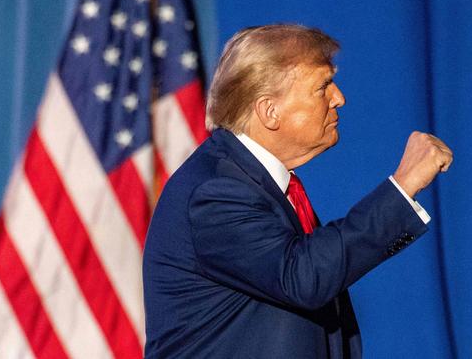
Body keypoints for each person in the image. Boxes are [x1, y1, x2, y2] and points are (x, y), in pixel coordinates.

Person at [143, 24, 453, 358]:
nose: (339, 98)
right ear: (269, 111)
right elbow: (302, 276)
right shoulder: (216, 189)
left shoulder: (263, 184)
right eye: (323, 86)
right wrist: (403, 186)